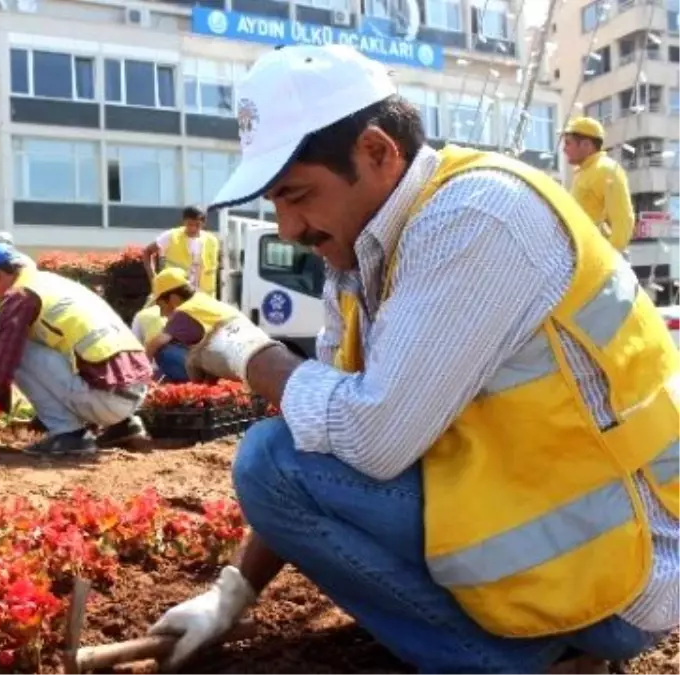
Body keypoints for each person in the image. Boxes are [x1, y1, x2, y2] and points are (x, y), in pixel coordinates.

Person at [146, 45, 679, 675]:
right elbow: (321, 446)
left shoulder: (476, 217)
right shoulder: (363, 257)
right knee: (278, 459)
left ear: (377, 152)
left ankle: (514, 664)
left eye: (298, 195)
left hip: (622, 570)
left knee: (268, 460)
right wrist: (231, 594)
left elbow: (371, 438)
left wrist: (246, 351)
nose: (287, 227)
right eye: (276, 203)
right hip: (560, 533)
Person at [0, 242, 152, 455]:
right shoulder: (53, 283)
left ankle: (67, 433)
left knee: (19, 351)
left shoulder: (20, 296)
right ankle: (124, 425)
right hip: (135, 393)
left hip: (108, 399)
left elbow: (1, 364)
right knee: (46, 342)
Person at [142, 268, 246, 384]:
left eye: (161, 306)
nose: (161, 313)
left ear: (173, 298)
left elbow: (154, 344)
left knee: (164, 351)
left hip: (229, 368)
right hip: (242, 362)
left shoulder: (185, 311)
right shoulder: (202, 300)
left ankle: (200, 386)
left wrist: (142, 376)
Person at [562, 116, 635, 256]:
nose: (564, 149)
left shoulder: (606, 170)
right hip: (585, 257)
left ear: (586, 145)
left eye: (568, 143)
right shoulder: (584, 172)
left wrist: (607, 259)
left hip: (601, 264)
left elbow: (623, 221)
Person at [142, 205, 220, 294]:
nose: (193, 228)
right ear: (184, 221)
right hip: (176, 295)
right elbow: (147, 252)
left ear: (204, 223)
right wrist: (153, 279)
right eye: (190, 224)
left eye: (197, 225)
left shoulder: (212, 241)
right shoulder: (171, 236)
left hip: (204, 297)